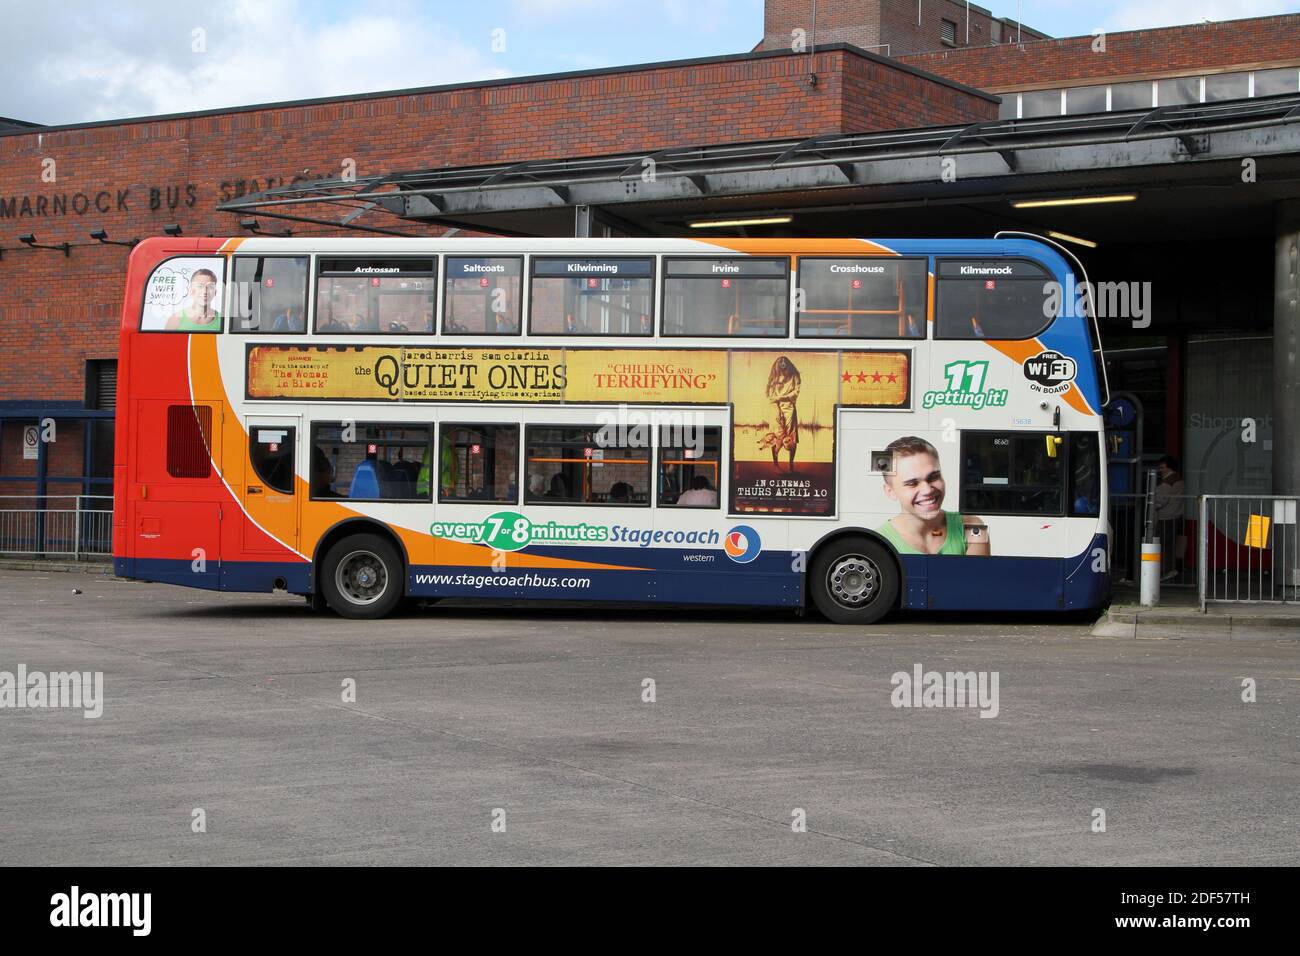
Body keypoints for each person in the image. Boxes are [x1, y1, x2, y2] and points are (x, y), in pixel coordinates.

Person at [875, 436, 988, 556]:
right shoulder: (877, 543)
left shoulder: (973, 527)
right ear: (890, 491)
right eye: (912, 483)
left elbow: (978, 574)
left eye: (933, 477)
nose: (927, 490)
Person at [764, 356, 801, 472]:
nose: (783, 364)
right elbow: (770, 396)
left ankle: (791, 465)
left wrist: (782, 397)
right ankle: (775, 463)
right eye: (781, 362)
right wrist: (777, 409)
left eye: (785, 362)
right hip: (776, 408)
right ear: (777, 364)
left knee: (791, 437)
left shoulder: (795, 376)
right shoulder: (774, 377)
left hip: (789, 408)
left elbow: (796, 393)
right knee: (778, 436)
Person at [1154, 454, 1186, 580]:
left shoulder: (1167, 482)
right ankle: (1170, 569)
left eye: (1162, 468)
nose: (1160, 470)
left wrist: (1152, 505)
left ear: (1168, 468)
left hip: (1165, 517)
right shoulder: (1179, 480)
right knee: (1170, 544)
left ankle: (1165, 571)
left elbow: (1161, 500)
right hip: (1176, 515)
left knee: (1161, 544)